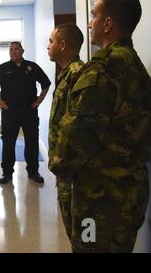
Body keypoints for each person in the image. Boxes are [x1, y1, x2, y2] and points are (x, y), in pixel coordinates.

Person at [49, 0, 151, 252]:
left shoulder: (102, 69)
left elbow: (77, 138)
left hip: (100, 199)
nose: (89, 22)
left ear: (108, 24)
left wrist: (59, 169)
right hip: (129, 191)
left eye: (94, 15)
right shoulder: (134, 63)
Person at [0, 42, 51, 185]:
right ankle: (7, 173)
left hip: (29, 111)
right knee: (8, 143)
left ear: (22, 51)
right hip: (10, 112)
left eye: (16, 49)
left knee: (32, 142)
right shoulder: (2, 69)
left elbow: (46, 83)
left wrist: (39, 100)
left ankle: (33, 171)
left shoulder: (32, 67)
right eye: (11, 50)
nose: (13, 52)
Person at [46, 24, 85, 240]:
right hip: (65, 168)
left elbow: (77, 126)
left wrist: (62, 162)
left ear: (62, 45)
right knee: (73, 230)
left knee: (82, 233)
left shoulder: (78, 74)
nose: (47, 46)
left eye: (51, 41)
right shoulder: (65, 74)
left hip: (72, 169)